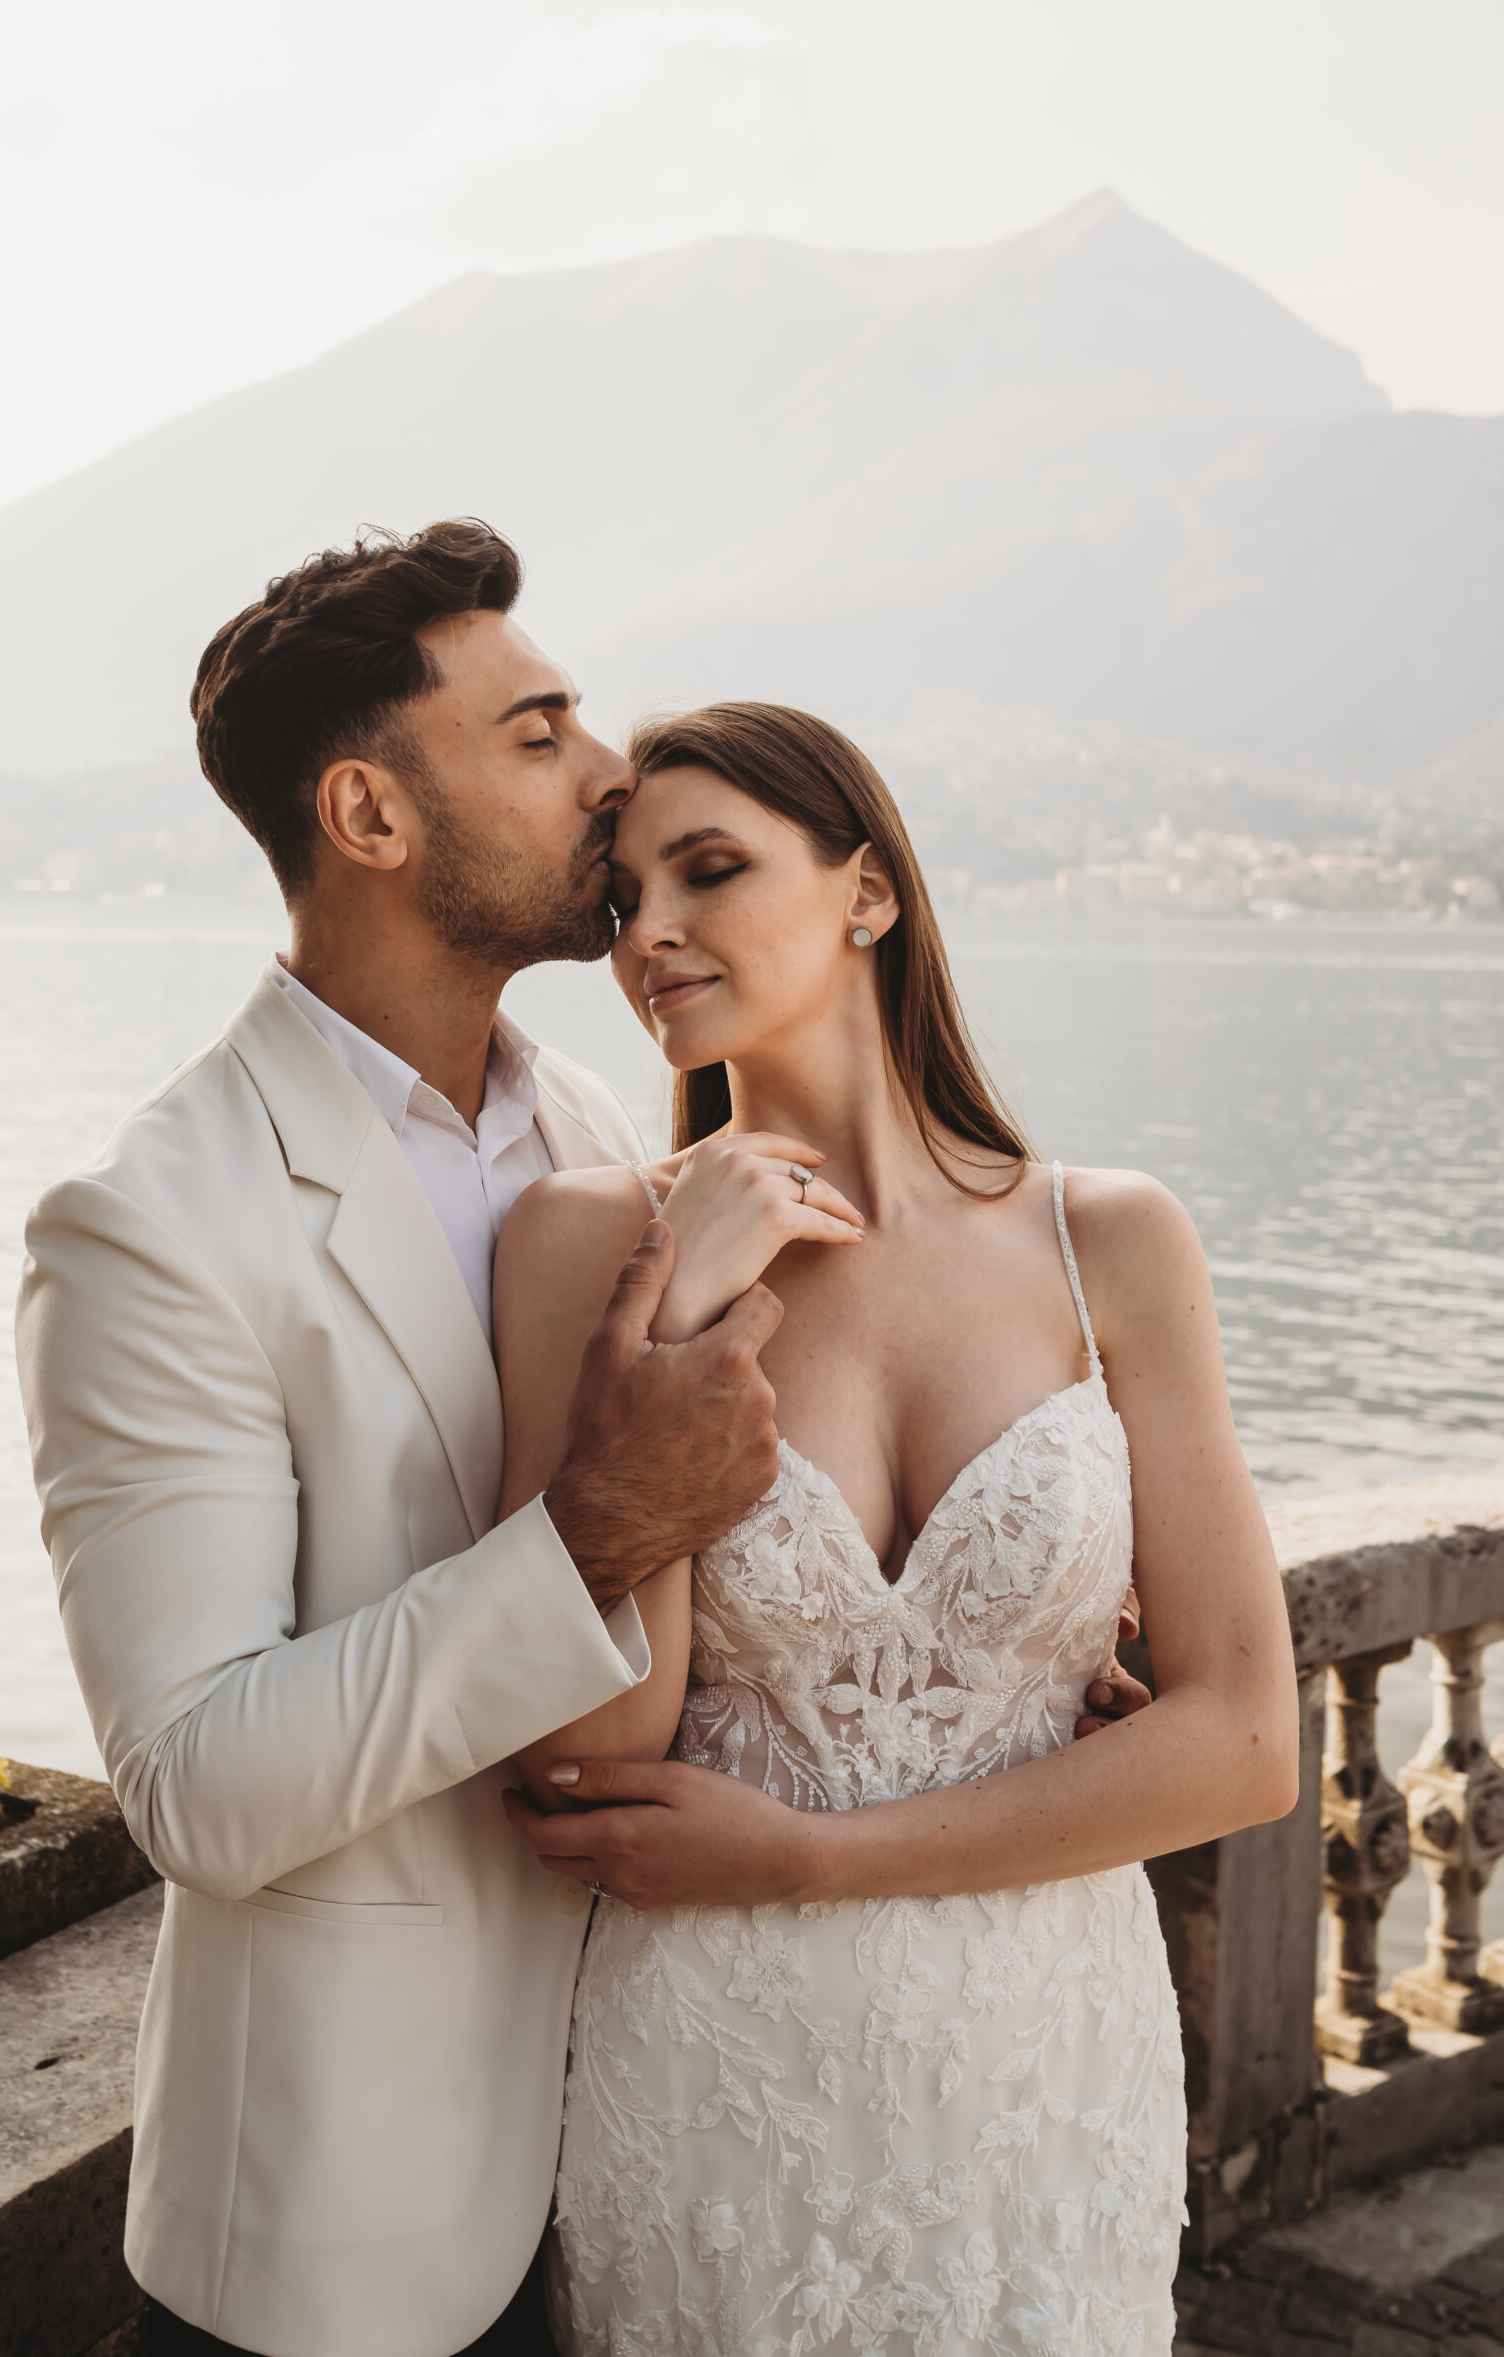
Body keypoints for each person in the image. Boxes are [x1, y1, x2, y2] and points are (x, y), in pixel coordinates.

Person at [16, 523, 1151, 2357]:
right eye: (538, 733)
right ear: (373, 817)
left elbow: (715, 1624)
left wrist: (987, 1670)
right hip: (353, 2236)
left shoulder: (606, 1137)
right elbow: (203, 1790)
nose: (607, 770)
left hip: (679, 2129)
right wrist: (590, 1530)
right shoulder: (153, 1224)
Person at [491, 703, 1301, 2356]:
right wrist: (675, 1324)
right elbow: (584, 1759)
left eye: (709, 870)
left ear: (869, 893)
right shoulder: (587, 1245)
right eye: (623, 897)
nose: (650, 934)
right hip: (722, 2076)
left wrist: (810, 1858)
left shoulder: (1113, 1243)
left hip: (1049, 2065)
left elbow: (1244, 1741)